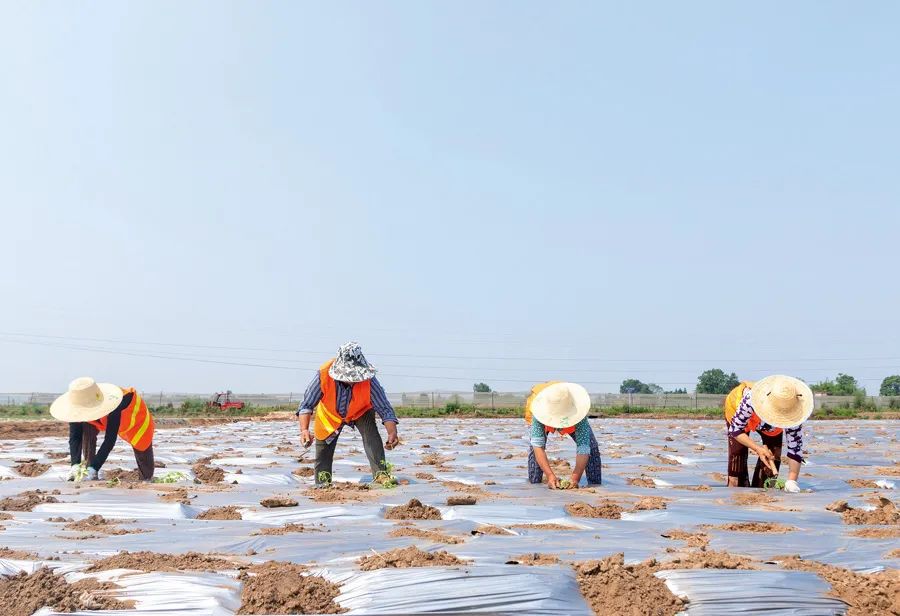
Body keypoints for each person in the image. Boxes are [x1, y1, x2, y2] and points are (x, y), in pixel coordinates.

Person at [297, 342, 399, 486]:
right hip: (330, 416)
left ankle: (381, 475)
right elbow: (306, 405)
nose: (353, 381)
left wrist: (392, 432)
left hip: (360, 412)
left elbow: (384, 408)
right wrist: (304, 430)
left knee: (371, 437)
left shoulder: (369, 380)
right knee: (323, 452)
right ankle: (322, 484)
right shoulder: (324, 374)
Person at [50, 377, 156, 481]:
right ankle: (88, 470)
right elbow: (75, 437)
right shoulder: (76, 406)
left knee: (144, 460)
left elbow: (109, 440)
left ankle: (146, 478)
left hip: (136, 422)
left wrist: (95, 467)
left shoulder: (116, 403)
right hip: (100, 419)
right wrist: (75, 465)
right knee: (87, 429)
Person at [724, 375, 813, 493]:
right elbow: (735, 429)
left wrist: (792, 481)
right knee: (737, 470)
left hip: (771, 429)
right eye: (778, 413)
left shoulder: (794, 411)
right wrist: (757, 449)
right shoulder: (750, 399)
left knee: (769, 475)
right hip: (738, 417)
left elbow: (795, 450)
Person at [525, 381, 602, 488]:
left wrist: (575, 478)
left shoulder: (578, 413)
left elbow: (583, 447)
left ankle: (595, 484)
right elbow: (538, 446)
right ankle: (535, 485)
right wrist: (550, 476)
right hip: (545, 416)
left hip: (571, 414)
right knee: (534, 449)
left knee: (592, 446)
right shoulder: (538, 412)